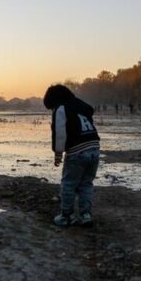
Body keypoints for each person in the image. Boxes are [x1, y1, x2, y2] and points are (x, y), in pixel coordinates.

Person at [43, 85, 100, 227]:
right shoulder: (81, 104)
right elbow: (90, 110)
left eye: (51, 108)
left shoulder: (61, 108)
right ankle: (86, 215)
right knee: (86, 184)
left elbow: (60, 132)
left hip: (77, 151)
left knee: (68, 184)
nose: (52, 110)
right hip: (94, 148)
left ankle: (66, 216)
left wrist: (58, 153)